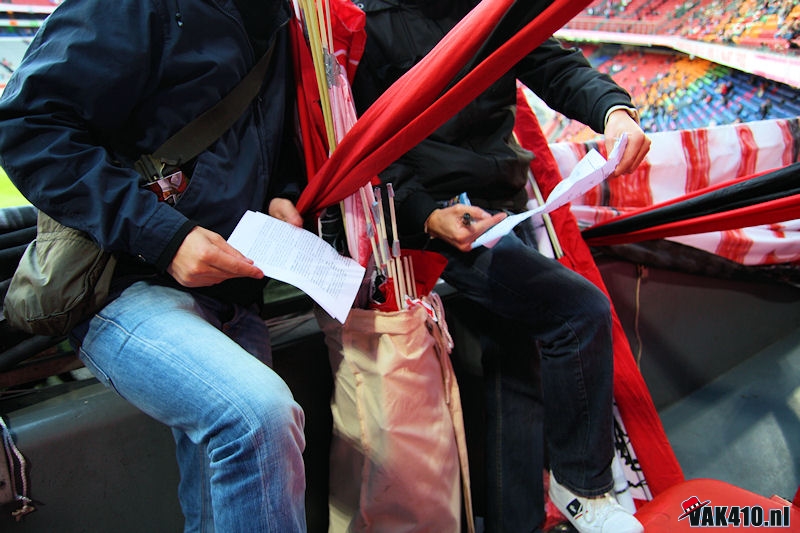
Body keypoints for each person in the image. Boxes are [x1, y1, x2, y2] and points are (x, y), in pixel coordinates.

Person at [0, 0, 307, 531]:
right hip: (122, 279)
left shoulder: (280, 17)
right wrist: (166, 237)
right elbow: (29, 125)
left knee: (222, 492)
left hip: (236, 290)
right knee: (257, 416)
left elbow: (264, 139)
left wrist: (284, 192)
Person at [348, 1, 651, 532]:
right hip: (431, 219)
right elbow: (363, 135)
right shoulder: (368, 19)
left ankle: (520, 520)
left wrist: (613, 110)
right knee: (577, 313)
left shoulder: (495, 7)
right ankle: (582, 486)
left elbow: (551, 62)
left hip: (501, 206)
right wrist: (426, 215)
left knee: (514, 365)